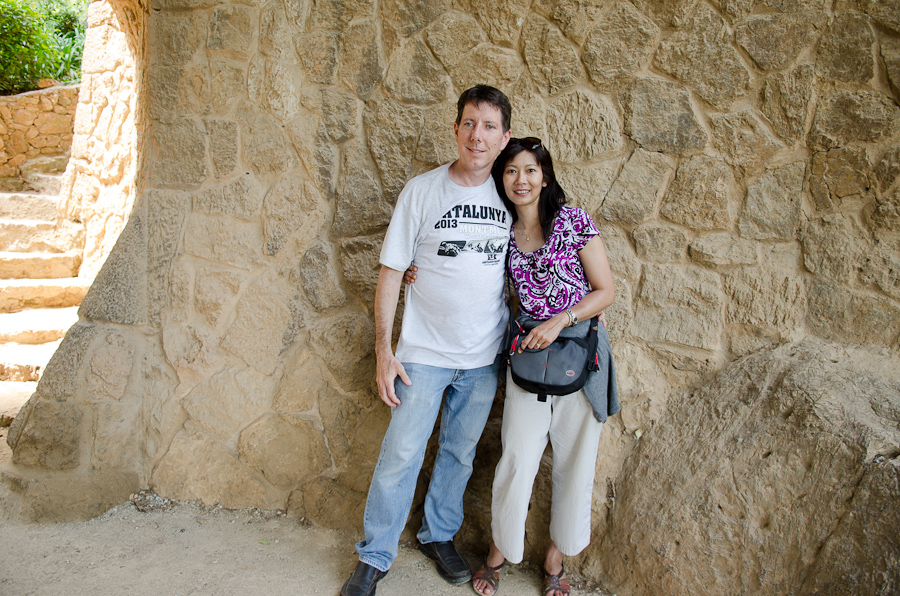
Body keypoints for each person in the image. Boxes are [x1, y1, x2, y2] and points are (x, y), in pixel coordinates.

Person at [340, 85, 513, 596]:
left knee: (459, 455)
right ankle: (375, 556)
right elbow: (392, 271)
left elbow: (540, 258)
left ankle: (438, 535)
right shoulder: (423, 191)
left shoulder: (511, 194)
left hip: (483, 358)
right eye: (468, 123)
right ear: (456, 129)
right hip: (422, 355)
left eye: (488, 127)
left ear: (504, 138)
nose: (476, 136)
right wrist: (384, 351)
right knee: (401, 455)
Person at [470, 137, 619, 596]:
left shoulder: (572, 221)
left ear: (545, 176)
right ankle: (501, 549)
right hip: (529, 357)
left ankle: (556, 555)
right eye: (511, 170)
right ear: (502, 179)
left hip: (578, 351)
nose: (521, 179)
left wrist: (559, 321)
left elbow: (606, 291)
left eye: (530, 170)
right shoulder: (502, 233)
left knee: (575, 461)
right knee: (517, 455)